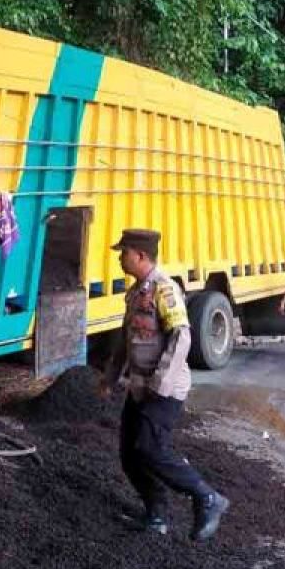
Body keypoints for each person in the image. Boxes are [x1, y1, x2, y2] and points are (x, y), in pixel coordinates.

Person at [96, 229, 229, 540]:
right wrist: (111, 377)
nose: (119, 257)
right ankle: (156, 516)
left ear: (140, 255)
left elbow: (181, 336)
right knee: (130, 454)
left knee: (150, 448)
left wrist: (161, 383)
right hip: (139, 387)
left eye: (124, 251)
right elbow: (126, 339)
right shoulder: (136, 291)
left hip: (163, 388)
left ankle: (208, 497)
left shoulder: (164, 289)